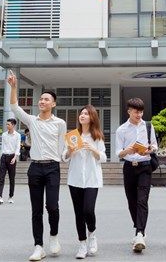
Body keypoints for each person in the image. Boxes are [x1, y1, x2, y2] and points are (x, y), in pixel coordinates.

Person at [8, 72, 67, 262]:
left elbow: (62, 147)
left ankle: (54, 236)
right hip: (35, 168)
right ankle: (38, 246)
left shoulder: (60, 123)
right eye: (41, 99)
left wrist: (66, 155)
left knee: (52, 206)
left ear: (53, 104)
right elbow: (14, 107)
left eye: (46, 99)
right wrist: (14, 87)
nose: (42, 101)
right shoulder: (32, 120)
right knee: (36, 209)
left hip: (52, 168)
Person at [116, 97, 158, 253]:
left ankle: (139, 233)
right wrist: (127, 150)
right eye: (136, 112)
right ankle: (139, 228)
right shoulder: (121, 129)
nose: (139, 115)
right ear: (129, 111)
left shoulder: (148, 126)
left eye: (141, 112)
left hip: (145, 166)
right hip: (129, 167)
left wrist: (149, 150)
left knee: (142, 200)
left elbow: (154, 145)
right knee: (132, 201)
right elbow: (118, 152)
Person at [64, 105, 106, 259]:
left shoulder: (97, 137)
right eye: (81, 113)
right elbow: (64, 157)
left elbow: (103, 158)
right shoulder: (73, 135)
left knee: (88, 210)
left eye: (86, 114)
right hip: (75, 179)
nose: (82, 116)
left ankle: (92, 234)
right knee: (78, 213)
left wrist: (93, 149)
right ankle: (82, 244)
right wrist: (69, 151)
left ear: (92, 117)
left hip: (92, 179)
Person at [0, 118, 21, 205]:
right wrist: (1, 157)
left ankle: (11, 196)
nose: (7, 126)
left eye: (8, 124)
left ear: (13, 125)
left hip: (12, 157)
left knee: (12, 178)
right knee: (1, 177)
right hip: (4, 157)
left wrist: (15, 158)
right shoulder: (4, 134)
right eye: (7, 124)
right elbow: (3, 146)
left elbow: (17, 147)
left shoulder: (17, 135)